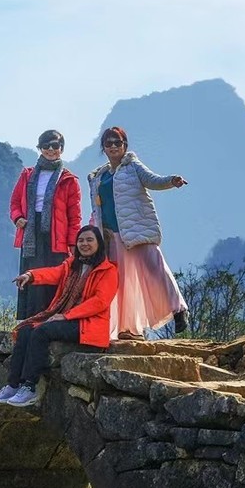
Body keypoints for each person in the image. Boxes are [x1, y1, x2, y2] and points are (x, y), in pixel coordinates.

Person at [0, 225, 116, 407]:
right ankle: (13, 385)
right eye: (81, 240)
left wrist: (66, 316)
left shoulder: (108, 270)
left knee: (41, 331)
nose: (84, 244)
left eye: (90, 240)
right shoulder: (71, 265)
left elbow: (100, 302)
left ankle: (29, 387)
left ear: (99, 244)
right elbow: (53, 273)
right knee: (26, 330)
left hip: (88, 324)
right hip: (67, 317)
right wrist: (30, 275)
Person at [86, 126, 189, 339]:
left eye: (118, 142)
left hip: (138, 230)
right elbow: (97, 208)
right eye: (109, 143)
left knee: (156, 267)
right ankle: (128, 328)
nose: (114, 146)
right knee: (122, 282)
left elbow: (153, 180)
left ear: (125, 145)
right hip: (110, 235)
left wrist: (172, 181)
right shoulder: (98, 176)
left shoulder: (133, 166)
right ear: (103, 148)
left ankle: (179, 309)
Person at [9, 130, 82, 319]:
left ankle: (51, 319)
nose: (51, 150)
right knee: (31, 276)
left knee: (53, 277)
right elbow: (15, 203)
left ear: (62, 149)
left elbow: (75, 216)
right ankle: (30, 320)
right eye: (46, 146)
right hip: (31, 233)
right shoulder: (27, 175)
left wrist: (73, 244)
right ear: (39, 148)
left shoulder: (69, 180)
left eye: (55, 146)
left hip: (56, 235)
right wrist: (18, 218)